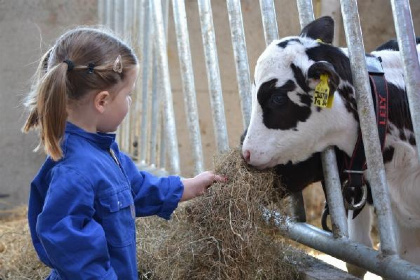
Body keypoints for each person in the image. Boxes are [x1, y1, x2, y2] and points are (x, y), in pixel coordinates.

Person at [22, 27, 226, 280]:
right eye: (128, 95)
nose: (130, 102)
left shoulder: (105, 152)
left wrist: (188, 186)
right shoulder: (74, 171)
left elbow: (137, 188)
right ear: (102, 101)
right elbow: (68, 243)